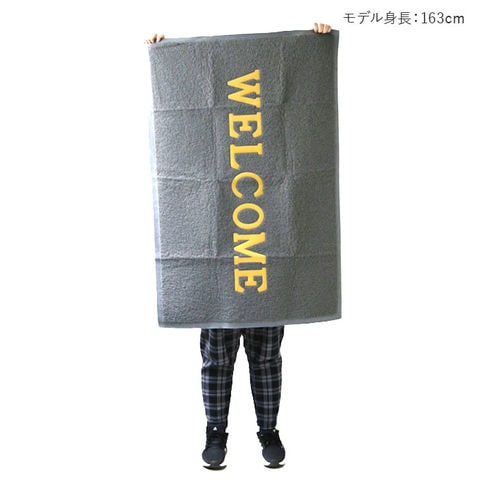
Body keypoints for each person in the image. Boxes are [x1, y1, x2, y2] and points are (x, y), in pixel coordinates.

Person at [145, 21, 333, 469]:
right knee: (217, 357)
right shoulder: (212, 124)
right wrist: (164, 55)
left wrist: (316, 46)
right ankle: (216, 433)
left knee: (266, 356)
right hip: (224, 258)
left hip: (262, 250)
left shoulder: (270, 125)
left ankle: (268, 431)